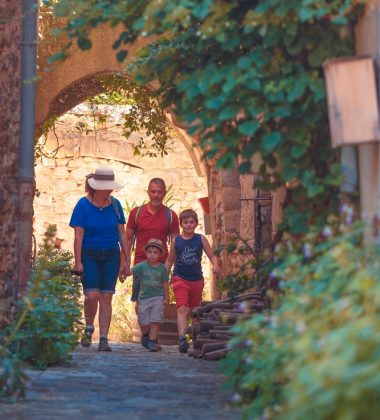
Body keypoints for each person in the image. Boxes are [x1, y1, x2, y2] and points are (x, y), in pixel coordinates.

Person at [69, 166, 128, 352]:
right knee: (92, 295)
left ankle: (103, 339)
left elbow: (122, 234)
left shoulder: (116, 205)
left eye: (111, 186)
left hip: (111, 255)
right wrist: (78, 261)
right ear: (96, 187)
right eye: (106, 186)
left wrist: (126, 260)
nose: (110, 190)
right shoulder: (83, 205)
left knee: (106, 297)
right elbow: (78, 236)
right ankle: (88, 326)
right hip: (90, 254)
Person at [166, 209, 221, 353]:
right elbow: (170, 259)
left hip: (196, 279)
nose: (189, 225)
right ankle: (182, 339)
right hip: (180, 278)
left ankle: (195, 338)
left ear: (196, 223)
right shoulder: (176, 241)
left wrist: (215, 265)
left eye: (191, 222)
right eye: (186, 222)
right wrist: (164, 276)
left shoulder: (201, 239)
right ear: (181, 224)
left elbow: (212, 255)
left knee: (194, 311)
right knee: (182, 307)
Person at [124, 178, 179, 303]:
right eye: (153, 192)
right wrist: (124, 263)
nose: (156, 195)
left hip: (160, 267)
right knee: (139, 303)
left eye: (159, 192)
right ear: (148, 192)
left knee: (158, 303)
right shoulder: (136, 213)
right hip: (140, 266)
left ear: (164, 193)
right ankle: (142, 323)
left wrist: (168, 268)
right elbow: (127, 240)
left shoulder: (171, 216)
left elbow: (175, 245)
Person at [130, 238, 169, 352]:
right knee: (143, 321)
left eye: (155, 252)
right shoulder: (141, 266)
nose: (152, 255)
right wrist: (123, 271)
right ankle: (146, 335)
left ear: (160, 254)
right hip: (143, 298)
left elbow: (165, 284)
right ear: (146, 253)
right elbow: (130, 272)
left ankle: (152, 341)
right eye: (150, 252)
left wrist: (166, 298)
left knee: (155, 319)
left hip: (157, 297)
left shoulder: (162, 269)